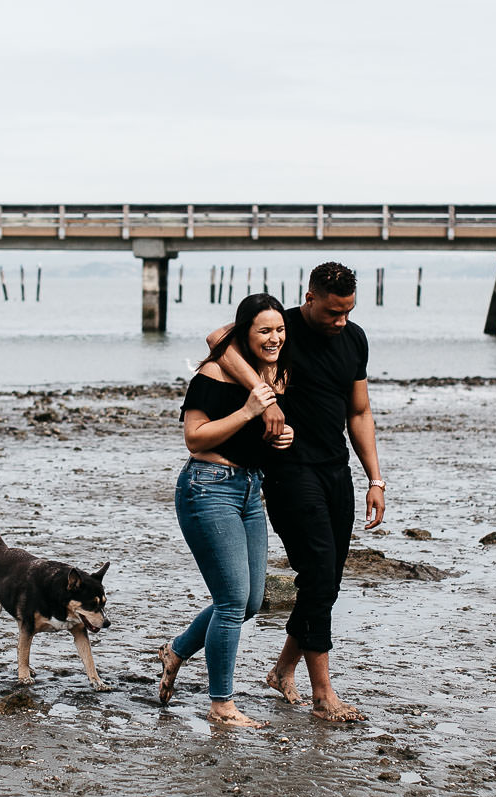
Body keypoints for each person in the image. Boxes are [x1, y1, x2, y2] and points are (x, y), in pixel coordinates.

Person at [211, 262, 381, 723]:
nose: (340, 321)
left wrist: (375, 478)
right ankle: (323, 694)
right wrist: (263, 398)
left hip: (335, 470)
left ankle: (283, 669)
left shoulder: (355, 338)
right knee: (319, 575)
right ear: (309, 298)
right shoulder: (278, 328)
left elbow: (360, 412)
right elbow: (216, 341)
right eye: (332, 312)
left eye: (347, 312)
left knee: (326, 582)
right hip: (289, 471)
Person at [156, 293, 295, 727]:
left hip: (250, 490)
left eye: (279, 330)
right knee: (232, 601)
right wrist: (251, 409)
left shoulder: (274, 375)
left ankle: (176, 650)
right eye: (264, 331)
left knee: (251, 601)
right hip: (208, 487)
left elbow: (253, 438)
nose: (274, 338)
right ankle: (221, 705)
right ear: (243, 333)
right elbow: (196, 438)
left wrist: (279, 436)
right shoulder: (212, 373)